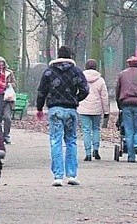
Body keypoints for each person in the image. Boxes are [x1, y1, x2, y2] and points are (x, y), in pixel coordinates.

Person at [36, 45, 89, 186]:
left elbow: (41, 91)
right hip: (71, 110)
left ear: (58, 56)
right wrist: (76, 99)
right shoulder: (76, 72)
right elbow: (85, 89)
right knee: (71, 140)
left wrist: (39, 108)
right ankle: (72, 175)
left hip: (55, 109)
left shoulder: (49, 72)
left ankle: (58, 176)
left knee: (56, 141)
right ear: (70, 56)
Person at [115, 56, 137, 162]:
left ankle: (131, 157)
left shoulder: (122, 74)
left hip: (126, 103)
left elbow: (118, 90)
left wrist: (119, 104)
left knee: (128, 130)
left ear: (128, 64)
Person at [79, 59, 109, 161]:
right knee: (96, 129)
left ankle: (87, 153)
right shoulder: (100, 80)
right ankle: (96, 149)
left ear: (85, 67)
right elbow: (104, 97)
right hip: (96, 109)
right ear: (96, 67)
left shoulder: (80, 78)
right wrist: (106, 111)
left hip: (83, 109)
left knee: (86, 130)